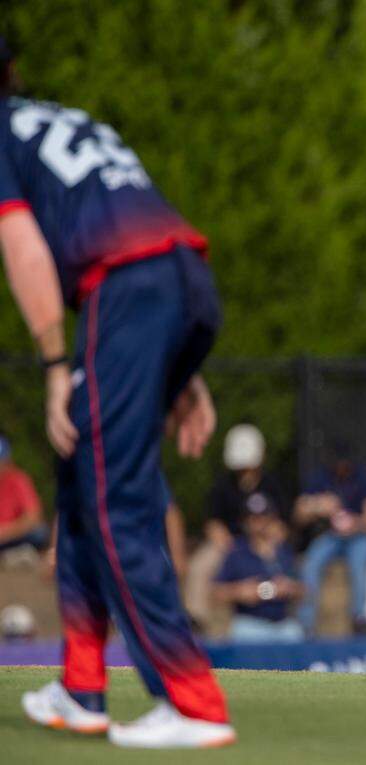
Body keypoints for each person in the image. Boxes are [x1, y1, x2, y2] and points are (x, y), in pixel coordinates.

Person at [1, 40, 234, 746]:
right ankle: (82, 687)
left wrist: (53, 364)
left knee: (113, 502)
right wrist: (180, 369)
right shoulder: (60, 119)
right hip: (182, 281)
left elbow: (23, 246)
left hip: (130, 292)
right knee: (80, 478)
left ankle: (192, 702)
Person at [185, 423, 287, 629]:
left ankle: (290, 619)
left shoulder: (273, 484)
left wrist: (272, 534)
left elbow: (283, 522)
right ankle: (195, 620)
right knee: (199, 566)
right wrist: (221, 537)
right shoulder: (223, 485)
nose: (244, 471)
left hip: (263, 543)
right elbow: (212, 521)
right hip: (230, 543)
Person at [294, 450, 366, 635]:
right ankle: (306, 623)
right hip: (331, 536)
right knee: (311, 563)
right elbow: (299, 513)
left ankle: (359, 618)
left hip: (358, 535)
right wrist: (318, 506)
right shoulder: (321, 477)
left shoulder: (363, 478)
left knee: (359, 564)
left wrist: (355, 523)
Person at [212, 497, 304, 643]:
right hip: (250, 623)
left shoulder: (283, 551)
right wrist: (239, 591)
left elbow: (303, 589)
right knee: (242, 633)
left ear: (272, 519)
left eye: (263, 517)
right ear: (245, 522)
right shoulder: (237, 553)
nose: (259, 523)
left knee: (296, 634)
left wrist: (289, 588)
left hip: (283, 624)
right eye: (253, 518)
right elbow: (216, 592)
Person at [0, 435, 49, 557]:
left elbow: (33, 517)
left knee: (39, 532)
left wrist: (4, 533)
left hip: (14, 538)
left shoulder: (18, 479)